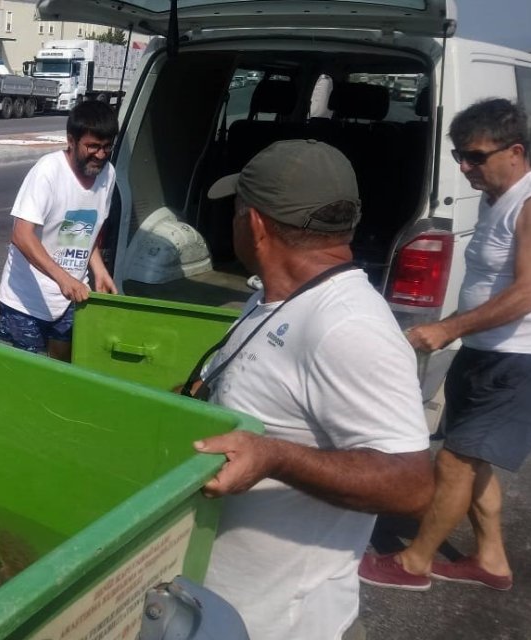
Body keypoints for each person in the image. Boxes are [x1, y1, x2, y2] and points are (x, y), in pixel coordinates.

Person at [191, 139, 433, 639]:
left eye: (237, 211)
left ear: (254, 224)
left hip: (285, 624)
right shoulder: (276, 296)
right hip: (226, 607)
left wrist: (275, 458)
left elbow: (412, 485)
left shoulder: (347, 325)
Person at [359, 99, 531, 592]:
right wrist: (448, 325)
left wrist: (449, 330)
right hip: (488, 347)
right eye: (460, 155)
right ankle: (491, 560)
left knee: (457, 459)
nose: (464, 167)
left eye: (475, 157)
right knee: (469, 459)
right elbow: (492, 286)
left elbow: (528, 293)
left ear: (515, 151)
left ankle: (415, 563)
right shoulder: (498, 197)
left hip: (529, 357)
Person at [0, 100, 119, 361]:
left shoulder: (108, 175)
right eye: (93, 146)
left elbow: (84, 232)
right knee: (28, 381)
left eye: (107, 147)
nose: (100, 155)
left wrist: (99, 270)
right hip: (25, 302)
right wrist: (63, 279)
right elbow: (21, 234)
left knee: (64, 372)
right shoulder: (48, 172)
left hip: (71, 299)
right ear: (71, 141)